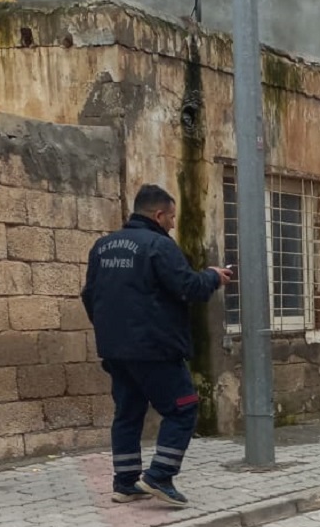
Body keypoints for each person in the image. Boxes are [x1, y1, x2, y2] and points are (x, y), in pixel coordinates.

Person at [81, 184, 235, 507]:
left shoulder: (102, 247)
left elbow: (89, 296)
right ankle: (160, 476)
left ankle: (125, 483)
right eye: (172, 218)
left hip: (115, 350)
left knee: (128, 412)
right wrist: (212, 277)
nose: (174, 224)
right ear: (158, 214)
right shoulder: (158, 246)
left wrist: (110, 333)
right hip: (154, 349)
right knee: (183, 408)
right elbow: (187, 287)